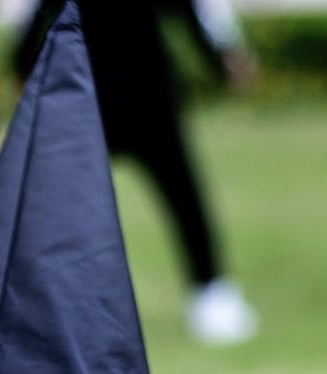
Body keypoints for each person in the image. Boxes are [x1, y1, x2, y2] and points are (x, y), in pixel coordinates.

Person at [16, 0, 260, 346]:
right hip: (86, 94)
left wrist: (221, 57)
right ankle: (46, 307)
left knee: (184, 198)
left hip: (149, 94)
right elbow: (40, 13)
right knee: (60, 209)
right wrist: (23, 63)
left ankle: (211, 292)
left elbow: (190, 9)